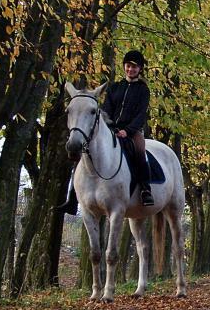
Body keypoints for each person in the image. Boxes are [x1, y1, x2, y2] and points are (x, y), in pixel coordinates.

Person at [56, 49, 153, 213]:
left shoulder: (143, 90)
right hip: (111, 129)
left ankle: (145, 190)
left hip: (132, 132)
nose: (131, 69)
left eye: (135, 67)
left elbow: (140, 115)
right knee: (85, 153)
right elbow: (107, 109)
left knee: (139, 151)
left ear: (140, 69)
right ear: (124, 66)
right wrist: (112, 128)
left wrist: (128, 131)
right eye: (128, 66)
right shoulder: (115, 87)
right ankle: (73, 198)